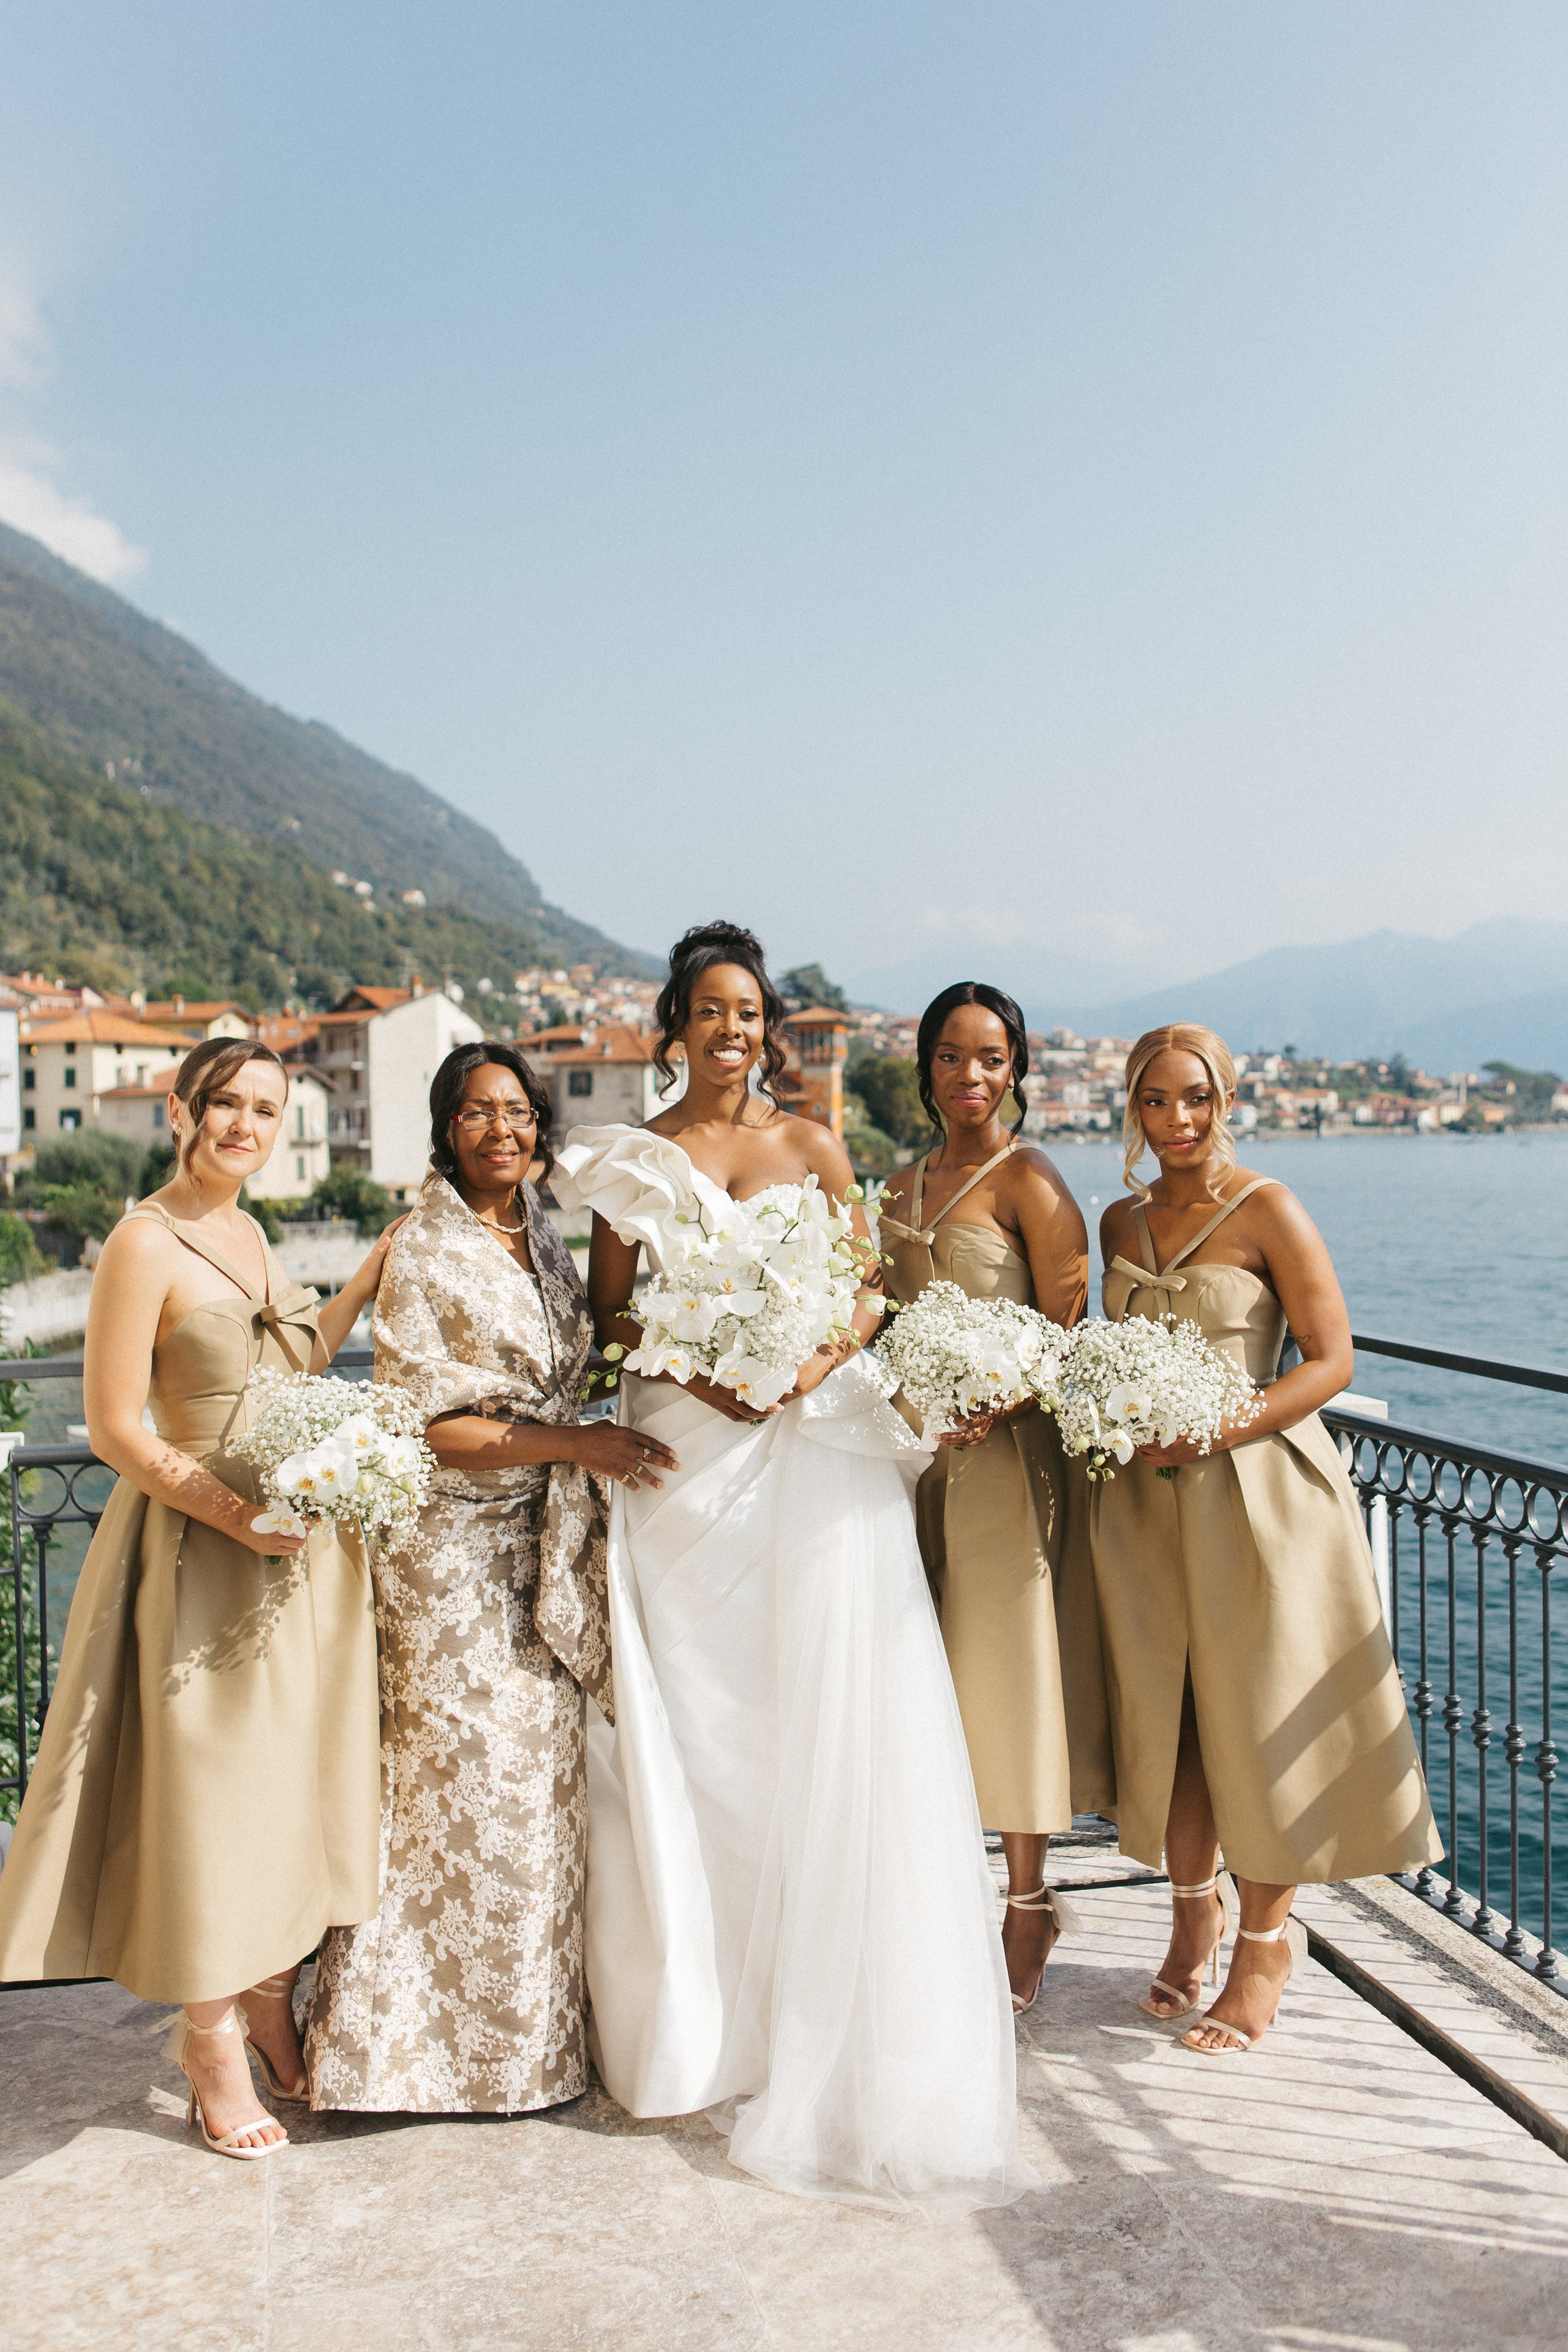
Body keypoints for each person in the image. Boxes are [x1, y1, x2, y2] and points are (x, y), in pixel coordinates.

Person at [552, 921, 1034, 2213]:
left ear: (769, 1027)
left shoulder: (813, 1142)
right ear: (675, 1023)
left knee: (811, 1730)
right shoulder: (637, 1162)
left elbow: (868, 1292)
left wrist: (808, 1364)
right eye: (711, 1010)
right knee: (696, 1737)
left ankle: (819, 2026)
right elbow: (611, 1312)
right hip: (680, 1458)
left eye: (751, 1012)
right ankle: (707, 2031)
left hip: (803, 1456)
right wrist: (699, 1365)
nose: (734, 1031)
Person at [0, 1037, 391, 2158]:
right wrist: (234, 1518)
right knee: (212, 1790)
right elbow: (119, 1425)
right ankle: (208, 2035)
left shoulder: (251, 1234)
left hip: (292, 1542)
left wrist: (367, 1275)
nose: (247, 1126)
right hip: (198, 1543)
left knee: (284, 1780)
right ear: (182, 1110)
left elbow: (293, 1365)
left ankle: (268, 1994)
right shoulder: (143, 1242)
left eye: (268, 1111)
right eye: (228, 1104)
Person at [306, 1043, 673, 2116]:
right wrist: (577, 1449)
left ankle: (528, 2054)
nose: (502, 1131)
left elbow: (593, 1358)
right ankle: (404, 2056)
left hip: (543, 1552)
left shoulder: (542, 1233)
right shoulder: (426, 1245)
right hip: (450, 1569)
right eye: (478, 1115)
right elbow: (430, 1430)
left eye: (518, 1112)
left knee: (544, 1803)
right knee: (457, 1801)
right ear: (445, 1128)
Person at [1091, 1023, 1441, 2054]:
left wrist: (1216, 1425)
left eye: (1195, 1099)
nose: (1177, 1121)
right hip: (1150, 1506)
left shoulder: (1270, 1208)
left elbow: (1330, 1360)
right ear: (1133, 1110)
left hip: (1261, 1498)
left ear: (1226, 1099)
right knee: (1183, 1719)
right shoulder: (1119, 1218)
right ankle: (1191, 1913)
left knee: (1262, 1714)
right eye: (1155, 1102)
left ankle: (1265, 1947)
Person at [879, 982, 1112, 2015]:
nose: (971, 1078)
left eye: (992, 1059)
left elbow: (1072, 1331)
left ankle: (1028, 1905)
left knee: (1008, 1675)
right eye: (950, 1057)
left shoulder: (1035, 1182)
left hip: (1009, 1465)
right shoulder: (897, 1184)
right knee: (920, 1678)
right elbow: (874, 1319)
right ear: (924, 1066)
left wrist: (992, 1399)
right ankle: (931, 1900)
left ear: (1016, 1069)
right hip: (909, 1463)